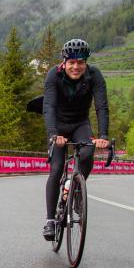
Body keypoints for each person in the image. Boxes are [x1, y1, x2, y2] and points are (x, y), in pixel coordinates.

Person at [42, 38, 109, 240]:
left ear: (86, 62)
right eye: (71, 62)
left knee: (88, 153)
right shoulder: (54, 75)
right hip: (59, 125)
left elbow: (101, 107)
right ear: (64, 61)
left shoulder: (95, 75)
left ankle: (77, 189)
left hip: (80, 124)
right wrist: (53, 134)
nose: (76, 67)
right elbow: (49, 107)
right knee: (56, 169)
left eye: (80, 62)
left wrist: (103, 136)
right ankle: (50, 220)